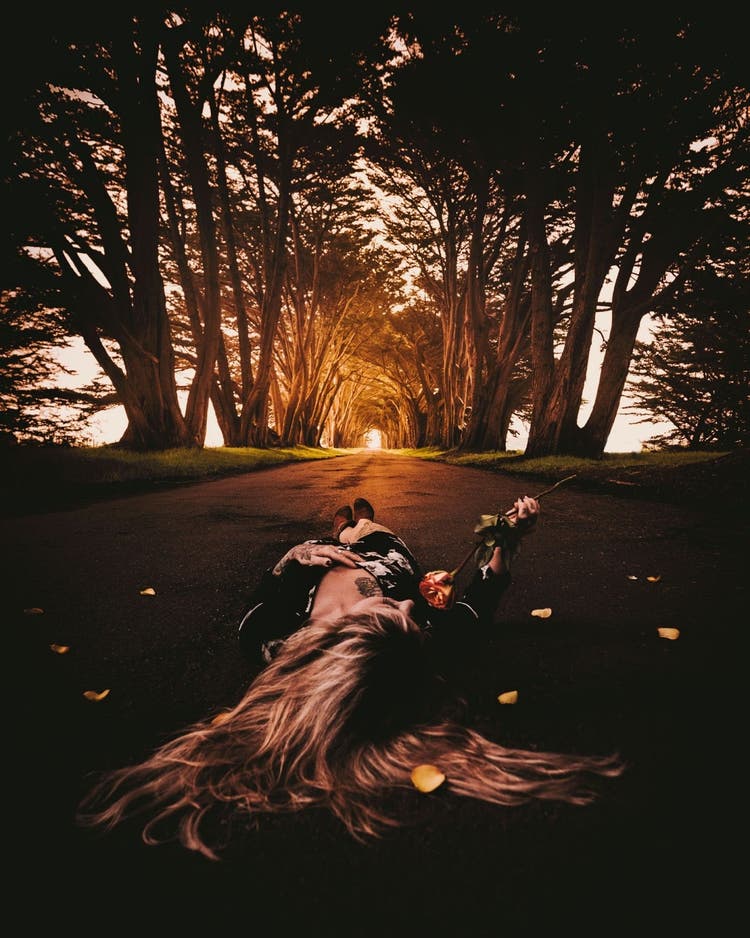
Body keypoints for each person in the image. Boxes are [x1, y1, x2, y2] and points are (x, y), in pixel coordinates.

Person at [76, 495, 624, 860]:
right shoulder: (417, 639)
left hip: (328, 555)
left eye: (393, 615)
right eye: (415, 617)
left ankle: (345, 523)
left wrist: (294, 558)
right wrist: (508, 537)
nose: (411, 608)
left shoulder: (268, 637)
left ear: (347, 634)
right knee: (371, 525)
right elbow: (479, 604)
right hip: (390, 548)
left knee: (348, 525)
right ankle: (361, 518)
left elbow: (264, 594)